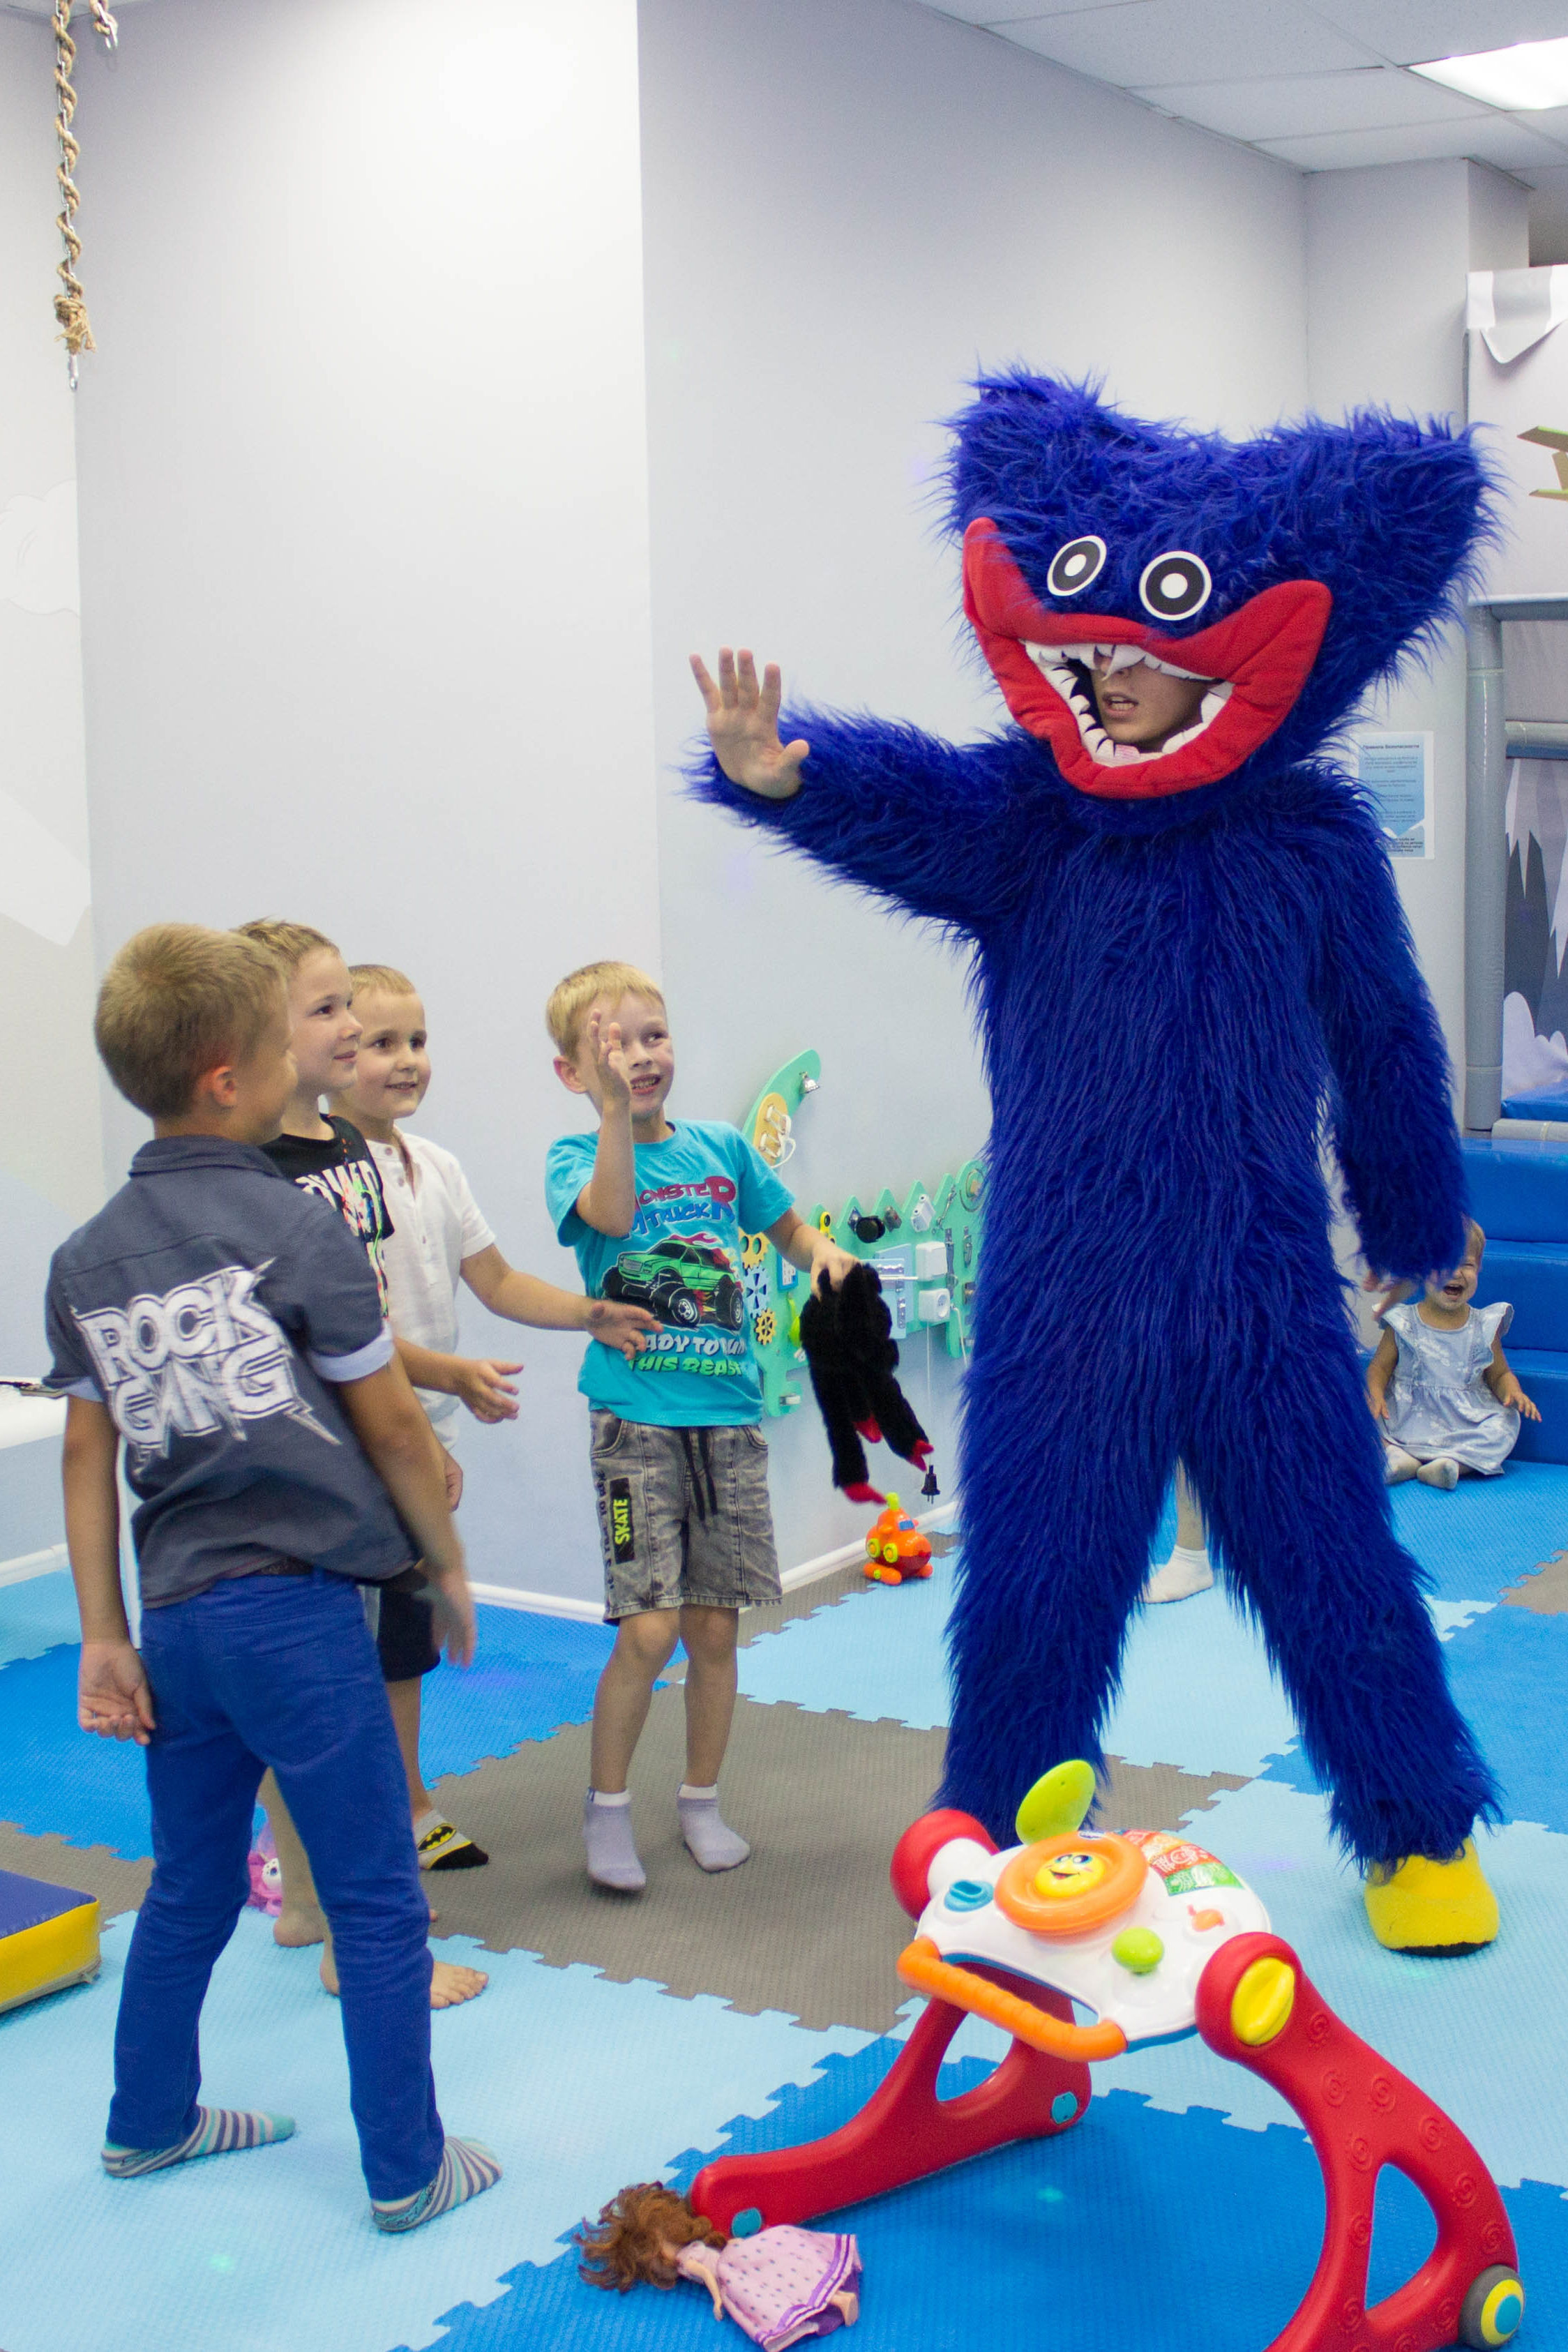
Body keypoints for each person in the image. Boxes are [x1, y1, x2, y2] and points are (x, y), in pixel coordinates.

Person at [47, 923, 499, 2231]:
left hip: (178, 1621)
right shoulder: (295, 1227)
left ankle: (148, 2122)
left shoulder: (86, 1255)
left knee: (188, 1882)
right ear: (227, 1079)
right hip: (296, 1615)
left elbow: (87, 1456)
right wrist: (448, 1561)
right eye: (290, 1044)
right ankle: (408, 2167)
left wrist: (101, 1633)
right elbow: (395, 1426)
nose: (324, 1060)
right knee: (372, 1893)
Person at [338, 961, 661, 1860]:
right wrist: (448, 1377)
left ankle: (405, 1801)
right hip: (349, 1444)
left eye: (417, 1040)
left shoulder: (432, 1165)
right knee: (330, 1650)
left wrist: (590, 1313)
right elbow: (344, 1336)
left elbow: (498, 1279)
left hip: (414, 1436)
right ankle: (316, 1831)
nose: (406, 1061)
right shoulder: (324, 1174)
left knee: (406, 1636)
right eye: (379, 1043)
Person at [545, 961, 857, 1892]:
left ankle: (700, 1799)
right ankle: (607, 1811)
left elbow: (790, 1230)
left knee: (715, 1631)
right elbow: (608, 1215)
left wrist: (827, 1258)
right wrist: (610, 1116)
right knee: (649, 1630)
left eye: (653, 1036)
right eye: (614, 1045)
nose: (639, 1057)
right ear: (572, 1071)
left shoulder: (722, 1147)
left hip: (728, 1420)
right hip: (635, 1421)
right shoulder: (576, 1158)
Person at [236, 918, 488, 2007]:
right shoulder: (249, 1171)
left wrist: (420, 1426)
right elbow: (293, 1342)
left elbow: (365, 1319)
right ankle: (363, 1943)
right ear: (260, 1034)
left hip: (368, 1459)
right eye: (329, 1010)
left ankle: (303, 1901)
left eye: (353, 1007)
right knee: (335, 1706)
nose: (354, 1028)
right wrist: (406, 1446)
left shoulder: (347, 1154)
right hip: (308, 1479)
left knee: (360, 1687)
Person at [1369, 1220, 1539, 1487]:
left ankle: (1451, 1466)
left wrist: (1512, 1392)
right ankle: (1398, 1457)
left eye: (1467, 1264)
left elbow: (1499, 1374)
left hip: (1464, 1419)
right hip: (1408, 1412)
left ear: (1479, 1268)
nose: (1456, 1273)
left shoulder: (1484, 1326)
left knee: (1506, 1422)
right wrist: (1375, 1394)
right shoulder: (1402, 1322)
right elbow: (1379, 1368)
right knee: (1365, 1418)